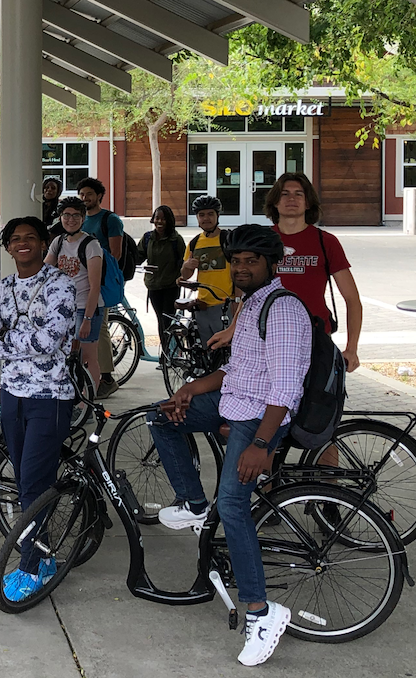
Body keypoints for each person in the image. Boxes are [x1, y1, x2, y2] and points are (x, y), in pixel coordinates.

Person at [147, 224, 310, 667]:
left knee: (235, 506)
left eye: (251, 261)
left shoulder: (282, 310)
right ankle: (194, 503)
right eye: (236, 261)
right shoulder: (251, 303)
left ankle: (260, 611)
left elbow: (284, 389)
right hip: (236, 401)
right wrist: (189, 392)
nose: (241, 268)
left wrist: (261, 445)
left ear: (271, 265)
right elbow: (236, 372)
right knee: (159, 418)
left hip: (260, 416)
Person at [0, 216, 77, 603]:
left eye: (30, 239)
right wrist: (17, 341)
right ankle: (44, 555)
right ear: (7, 247)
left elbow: (49, 342)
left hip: (49, 397)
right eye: (15, 239)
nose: (23, 244)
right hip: (12, 394)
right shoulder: (3, 288)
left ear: (43, 243)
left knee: (35, 484)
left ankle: (32, 568)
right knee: (24, 482)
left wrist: (8, 338)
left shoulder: (61, 285)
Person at [267, 173, 361, 373]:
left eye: (298, 194)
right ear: (275, 202)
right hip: (268, 338)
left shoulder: (326, 242)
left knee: (315, 404)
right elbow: (244, 297)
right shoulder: (261, 241)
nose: (291, 199)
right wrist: (233, 331)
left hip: (315, 338)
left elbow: (352, 299)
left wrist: (351, 349)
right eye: (284, 194)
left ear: (308, 203)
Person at [45, 197, 105, 389]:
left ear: (83, 217)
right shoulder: (59, 241)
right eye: (66, 215)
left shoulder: (91, 245)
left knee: (88, 357)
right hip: (65, 308)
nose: (70, 220)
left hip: (85, 308)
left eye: (76, 215)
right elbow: (44, 271)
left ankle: (89, 402)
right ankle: (76, 397)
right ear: (60, 217)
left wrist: (87, 318)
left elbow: (95, 286)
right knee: (70, 356)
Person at [76, 177, 124, 398]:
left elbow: (115, 253)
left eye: (89, 194)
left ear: (99, 196)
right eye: (82, 195)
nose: (85, 198)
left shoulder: (110, 219)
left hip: (101, 280)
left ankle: (106, 377)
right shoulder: (81, 220)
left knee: (100, 327)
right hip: (81, 281)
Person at [178, 195, 235, 345]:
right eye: (201, 215)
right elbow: (185, 275)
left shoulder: (228, 239)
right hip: (202, 305)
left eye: (210, 214)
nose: (206, 218)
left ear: (217, 216)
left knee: (226, 350)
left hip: (225, 304)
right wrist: (187, 267)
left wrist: (237, 302)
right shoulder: (194, 243)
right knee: (205, 350)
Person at [138, 205, 186, 351]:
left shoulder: (175, 239)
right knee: (161, 320)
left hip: (171, 286)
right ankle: (167, 354)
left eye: (163, 219)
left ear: (169, 220)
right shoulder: (148, 238)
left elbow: (183, 262)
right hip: (153, 286)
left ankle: (169, 353)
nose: (159, 221)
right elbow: (138, 256)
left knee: (167, 320)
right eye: (157, 218)